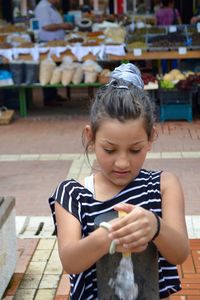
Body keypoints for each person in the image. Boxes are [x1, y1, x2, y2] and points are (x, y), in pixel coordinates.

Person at [49, 63, 189, 299]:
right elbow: (70, 261)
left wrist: (155, 226)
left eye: (135, 150)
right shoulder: (73, 194)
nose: (122, 163)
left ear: (151, 137)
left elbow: (180, 252)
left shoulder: (163, 185)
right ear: (90, 137)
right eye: (110, 149)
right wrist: (112, 235)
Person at [34, 0, 73, 106]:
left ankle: (53, 94)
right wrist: (63, 26)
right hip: (48, 43)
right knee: (48, 69)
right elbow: (46, 26)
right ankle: (49, 98)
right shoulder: (43, 7)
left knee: (53, 69)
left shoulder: (50, 6)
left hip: (54, 44)